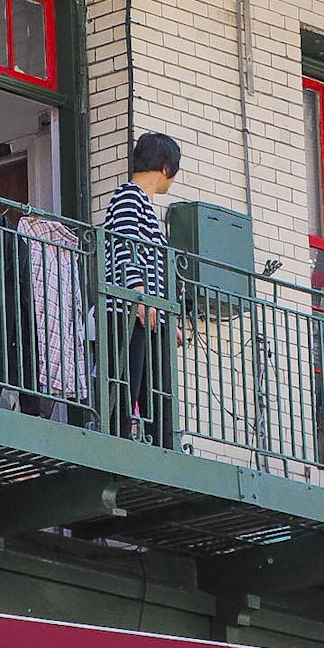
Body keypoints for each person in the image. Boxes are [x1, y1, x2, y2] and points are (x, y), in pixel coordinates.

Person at [103, 132, 181, 445]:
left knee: (156, 390)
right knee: (127, 381)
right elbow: (125, 244)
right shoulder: (128, 196)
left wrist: (167, 317)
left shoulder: (143, 205)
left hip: (149, 315)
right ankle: (117, 440)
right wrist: (139, 295)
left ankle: (161, 446)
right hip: (128, 309)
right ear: (166, 168)